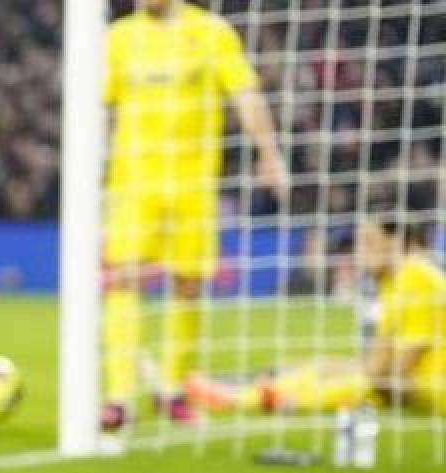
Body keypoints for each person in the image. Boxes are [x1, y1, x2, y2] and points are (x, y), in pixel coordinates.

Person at [101, 0, 289, 433]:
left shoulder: (211, 32)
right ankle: (119, 398)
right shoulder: (119, 37)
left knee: (187, 284)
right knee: (124, 279)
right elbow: (101, 107)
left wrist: (268, 152)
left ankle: (173, 391)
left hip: (193, 184)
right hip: (133, 182)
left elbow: (244, 93)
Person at [187, 212, 445, 415]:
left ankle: (249, 398)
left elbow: (399, 372)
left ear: (396, 243)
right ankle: (252, 393)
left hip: (434, 390)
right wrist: (321, 367)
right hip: (418, 385)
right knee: (324, 368)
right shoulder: (392, 282)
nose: (360, 252)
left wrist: (347, 377)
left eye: (369, 242)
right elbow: (378, 361)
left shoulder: (416, 276)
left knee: (359, 385)